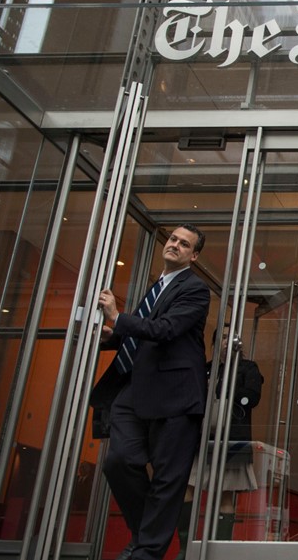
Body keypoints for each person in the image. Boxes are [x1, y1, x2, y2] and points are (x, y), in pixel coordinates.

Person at [90, 225, 211, 560]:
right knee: (119, 460)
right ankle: (147, 537)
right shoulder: (156, 287)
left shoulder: (196, 290)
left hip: (176, 396)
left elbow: (165, 329)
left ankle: (146, 552)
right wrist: (110, 336)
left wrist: (117, 316)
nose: (174, 245)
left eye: (184, 244)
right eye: (172, 239)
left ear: (194, 255)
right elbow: (141, 332)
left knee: (167, 482)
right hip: (134, 388)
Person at [176, 327, 264, 559]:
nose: (227, 341)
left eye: (232, 337)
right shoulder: (206, 369)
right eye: (222, 338)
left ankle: (220, 548)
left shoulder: (248, 368)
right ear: (215, 343)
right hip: (202, 437)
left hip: (232, 437)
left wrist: (223, 389)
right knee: (188, 488)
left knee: (226, 494)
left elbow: (252, 398)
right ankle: (185, 546)